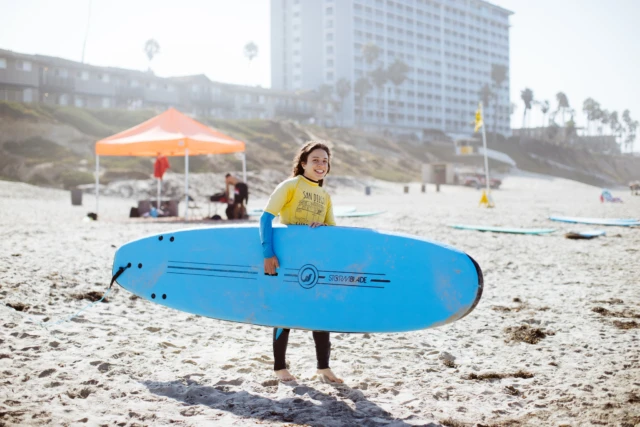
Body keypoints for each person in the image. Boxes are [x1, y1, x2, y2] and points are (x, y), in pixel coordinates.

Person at [259, 141, 343, 384]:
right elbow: (265, 218)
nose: (321, 164)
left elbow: (333, 232)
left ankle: (324, 368)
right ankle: (279, 368)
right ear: (303, 163)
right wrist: (268, 253)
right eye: (315, 159)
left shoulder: (325, 196)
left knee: (320, 313)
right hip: (287, 260)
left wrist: (324, 227)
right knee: (285, 311)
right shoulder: (290, 186)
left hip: (314, 262)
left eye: (325, 161)